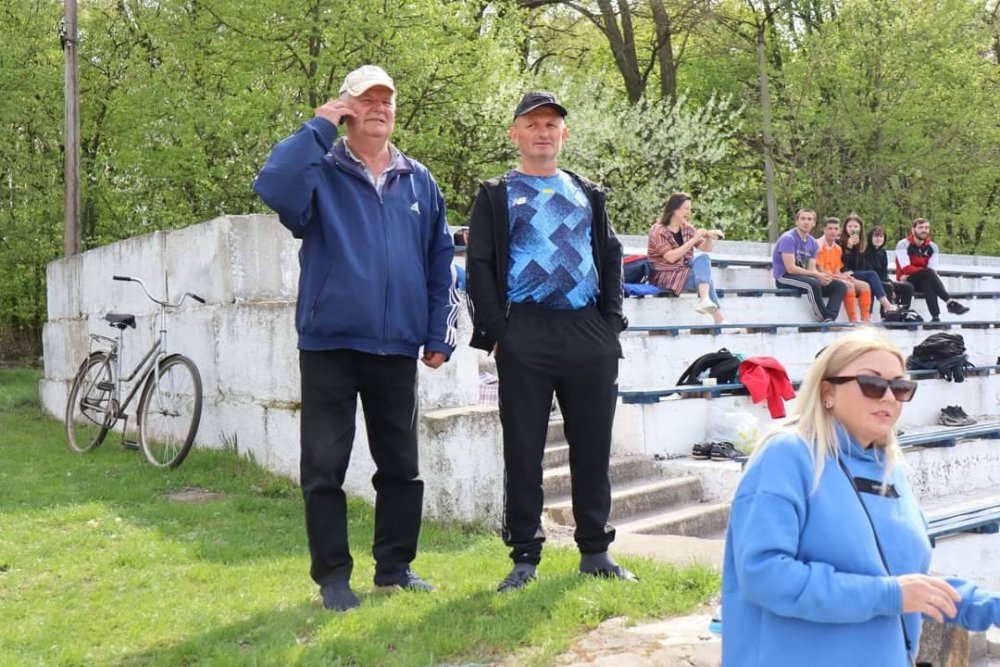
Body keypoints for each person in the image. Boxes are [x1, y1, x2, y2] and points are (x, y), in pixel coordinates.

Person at [253, 65, 458, 611]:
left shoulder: (419, 180)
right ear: (346, 108)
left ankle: (395, 569)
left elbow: (441, 262)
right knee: (325, 468)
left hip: (397, 346)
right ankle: (333, 579)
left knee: (401, 467)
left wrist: (438, 330)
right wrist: (318, 126)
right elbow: (272, 184)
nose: (379, 108)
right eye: (366, 100)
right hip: (330, 344)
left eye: (386, 100)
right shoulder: (319, 170)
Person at [722, 329, 1000, 666]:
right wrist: (891, 595)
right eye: (872, 384)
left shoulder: (891, 471)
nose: (889, 397)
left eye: (901, 387)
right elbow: (765, 575)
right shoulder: (788, 455)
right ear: (827, 391)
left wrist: (990, 607)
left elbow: (911, 585)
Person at [466, 91, 635, 592]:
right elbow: (479, 266)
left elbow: (610, 255)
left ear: (564, 134)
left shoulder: (587, 191)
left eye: (551, 124)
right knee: (523, 450)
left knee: (593, 447)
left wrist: (611, 322)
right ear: (515, 134)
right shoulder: (496, 193)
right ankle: (524, 556)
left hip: (587, 330)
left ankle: (596, 551)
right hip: (526, 330)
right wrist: (499, 333)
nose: (543, 132)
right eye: (533, 124)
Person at [647, 192, 728, 324]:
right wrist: (694, 239)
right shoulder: (658, 230)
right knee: (706, 280)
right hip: (665, 275)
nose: (689, 212)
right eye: (686, 208)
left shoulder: (687, 228)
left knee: (703, 259)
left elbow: (706, 249)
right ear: (675, 209)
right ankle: (718, 317)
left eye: (690, 209)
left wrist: (708, 237)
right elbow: (671, 257)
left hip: (683, 272)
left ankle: (705, 300)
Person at [772, 209, 848, 322]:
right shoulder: (788, 239)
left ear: (814, 223)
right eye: (803, 219)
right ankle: (823, 318)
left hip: (803, 278)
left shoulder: (812, 242)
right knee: (813, 284)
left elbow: (811, 268)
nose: (806, 222)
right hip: (784, 278)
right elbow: (790, 269)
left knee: (839, 286)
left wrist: (821, 277)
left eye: (809, 219)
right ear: (797, 221)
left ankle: (830, 317)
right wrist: (816, 276)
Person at [896, 218, 969, 322]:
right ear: (913, 229)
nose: (924, 230)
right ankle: (949, 302)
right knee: (928, 273)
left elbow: (932, 270)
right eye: (920, 227)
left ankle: (935, 317)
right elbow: (906, 268)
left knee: (928, 282)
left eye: (926, 228)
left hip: (924, 279)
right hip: (906, 280)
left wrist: (925, 271)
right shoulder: (903, 244)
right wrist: (924, 270)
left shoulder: (933, 247)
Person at [838, 214, 899, 318]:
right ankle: (886, 305)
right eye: (850, 226)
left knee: (873, 281)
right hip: (843, 272)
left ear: (860, 228)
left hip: (855, 272)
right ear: (845, 227)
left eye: (856, 226)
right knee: (871, 274)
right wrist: (849, 247)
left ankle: (871, 316)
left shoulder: (862, 244)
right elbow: (842, 263)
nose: (853, 229)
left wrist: (856, 249)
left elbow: (859, 264)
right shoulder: (840, 242)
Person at [817, 217, 872, 322]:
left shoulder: (837, 248)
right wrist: (841, 278)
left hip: (835, 277)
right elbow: (820, 270)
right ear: (824, 229)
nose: (833, 231)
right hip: (823, 279)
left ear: (839, 230)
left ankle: (865, 321)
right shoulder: (818, 245)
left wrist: (844, 277)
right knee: (849, 285)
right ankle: (853, 321)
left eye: (835, 229)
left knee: (865, 286)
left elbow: (837, 270)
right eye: (830, 228)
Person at [862, 224, 914, 312]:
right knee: (888, 287)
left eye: (881, 237)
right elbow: (868, 271)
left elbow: (884, 273)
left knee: (908, 287)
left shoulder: (883, 252)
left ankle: (902, 312)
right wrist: (890, 286)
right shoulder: (865, 251)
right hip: (871, 281)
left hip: (883, 280)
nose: (878, 239)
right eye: (876, 236)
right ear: (870, 238)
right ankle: (885, 314)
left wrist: (891, 283)